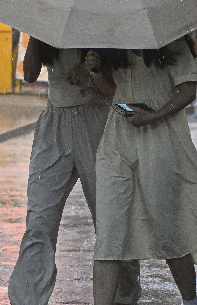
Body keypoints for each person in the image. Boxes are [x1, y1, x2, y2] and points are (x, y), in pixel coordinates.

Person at [8, 38, 141, 305]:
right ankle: (28, 299)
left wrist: (91, 68)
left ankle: (123, 295)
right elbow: (30, 75)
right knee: (39, 220)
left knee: (109, 218)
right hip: (54, 125)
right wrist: (35, 35)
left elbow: (117, 90)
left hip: (96, 122)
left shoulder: (99, 26)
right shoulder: (49, 22)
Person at [90, 36, 197, 305]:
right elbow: (112, 91)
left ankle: (190, 300)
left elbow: (187, 90)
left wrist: (153, 115)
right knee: (109, 232)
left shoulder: (171, 39)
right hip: (117, 140)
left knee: (167, 226)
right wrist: (94, 70)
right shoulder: (112, 40)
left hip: (161, 137)